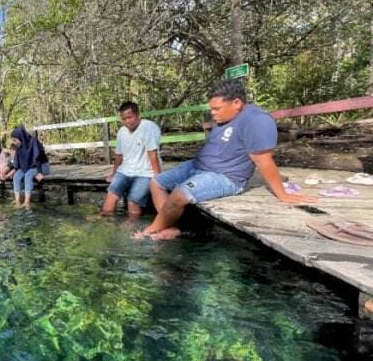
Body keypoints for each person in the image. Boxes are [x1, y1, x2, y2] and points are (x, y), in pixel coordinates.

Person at [136, 78, 316, 241]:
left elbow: (264, 161)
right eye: (211, 109)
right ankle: (170, 226)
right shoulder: (227, 116)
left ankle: (150, 231)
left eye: (217, 109)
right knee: (156, 183)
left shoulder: (257, 120)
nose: (213, 113)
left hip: (225, 176)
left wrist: (283, 194)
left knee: (179, 195)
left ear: (237, 103)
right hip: (198, 167)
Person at [101, 101, 162, 218]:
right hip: (125, 171)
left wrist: (158, 177)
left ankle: (132, 228)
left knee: (133, 202)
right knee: (111, 196)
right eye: (124, 119)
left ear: (138, 115)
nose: (127, 121)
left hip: (145, 172)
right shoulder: (121, 132)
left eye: (130, 117)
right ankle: (106, 225)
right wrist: (114, 174)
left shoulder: (148, 127)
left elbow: (152, 154)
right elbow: (118, 156)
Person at [11, 125, 50, 208]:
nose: (13, 142)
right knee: (16, 176)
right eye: (13, 140)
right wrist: (11, 172)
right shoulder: (19, 146)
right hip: (28, 166)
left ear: (20, 137)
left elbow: (37, 157)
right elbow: (17, 162)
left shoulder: (33, 141)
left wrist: (39, 172)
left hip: (42, 166)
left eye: (15, 140)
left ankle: (26, 202)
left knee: (28, 175)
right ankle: (17, 200)